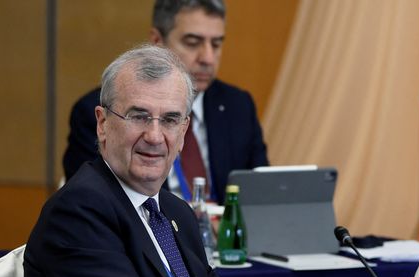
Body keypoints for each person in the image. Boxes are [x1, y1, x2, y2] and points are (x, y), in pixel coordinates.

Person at [23, 45, 241, 277]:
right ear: (103, 123)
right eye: (139, 116)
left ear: (184, 130)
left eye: (170, 119)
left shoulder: (177, 213)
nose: (155, 137)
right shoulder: (79, 212)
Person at [62, 0, 268, 204]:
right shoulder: (101, 109)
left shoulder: (238, 105)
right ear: (157, 40)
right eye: (193, 42)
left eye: (216, 44)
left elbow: (263, 195)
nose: (208, 58)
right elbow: (91, 199)